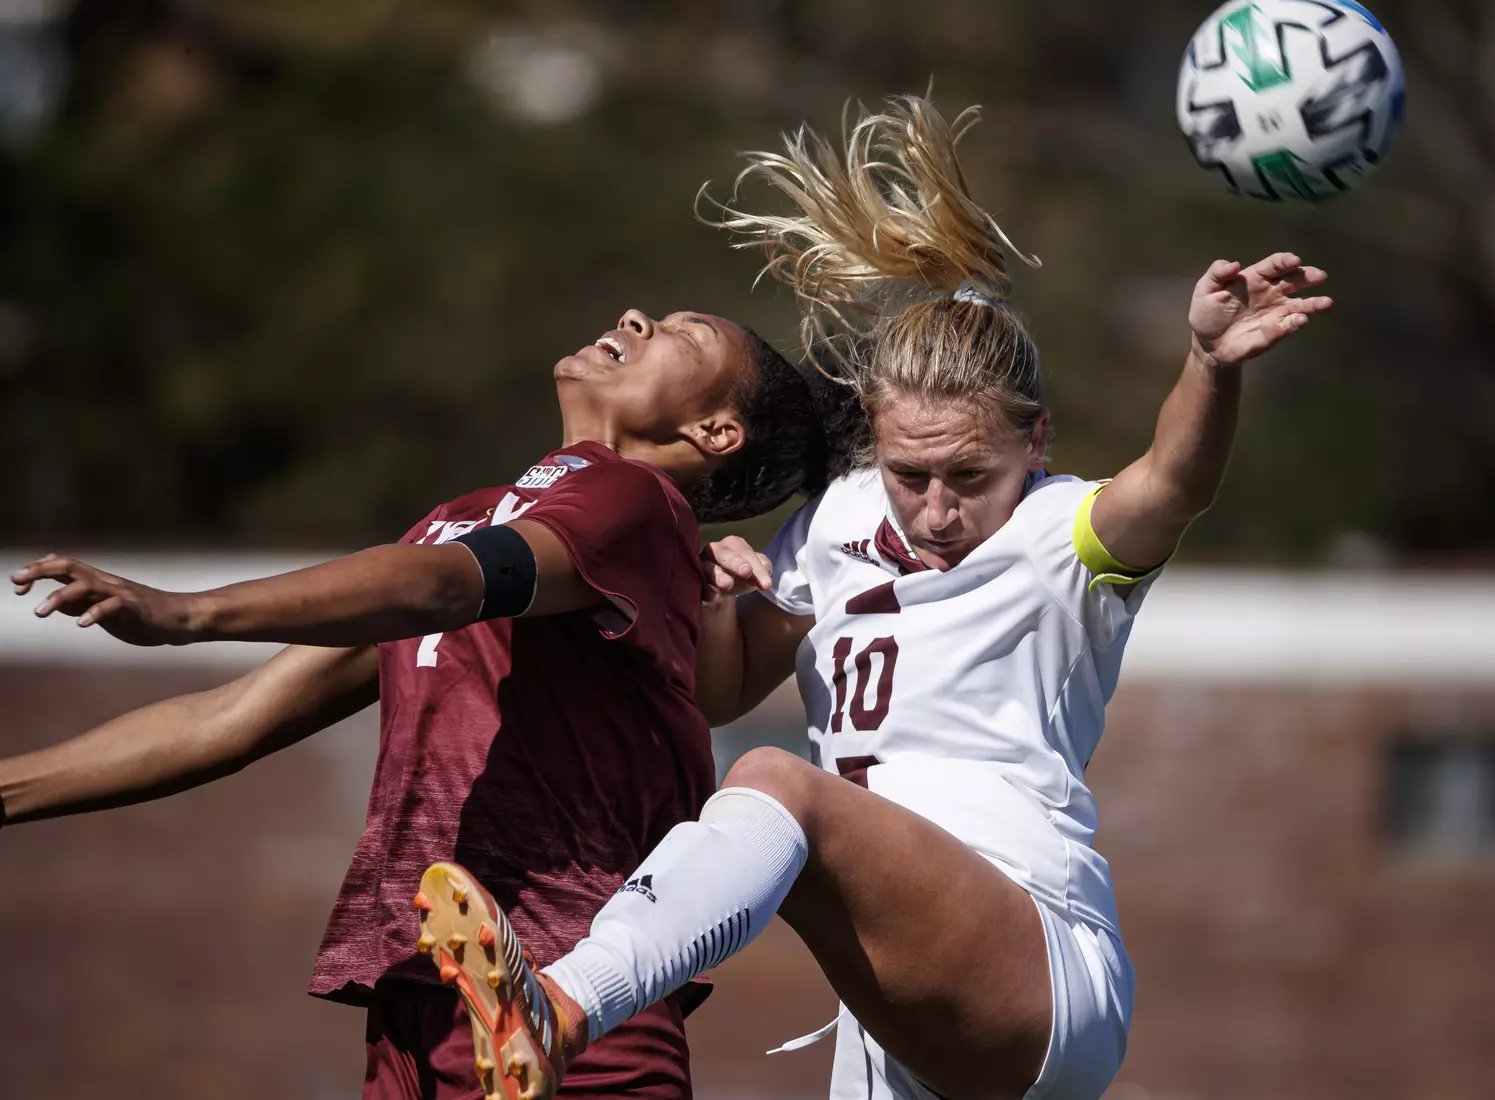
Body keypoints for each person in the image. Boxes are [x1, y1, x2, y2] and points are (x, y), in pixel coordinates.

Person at [417, 94, 1334, 1100]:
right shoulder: (837, 519)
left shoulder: (1060, 532)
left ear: (1035, 444)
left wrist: (1208, 362)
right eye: (911, 472)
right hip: (890, 1010)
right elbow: (721, 685)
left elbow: (1173, 480)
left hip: (1031, 953)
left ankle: (561, 1004)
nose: (938, 507)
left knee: (781, 780)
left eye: (969, 475)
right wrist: (719, 595)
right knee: (782, 784)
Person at [1, 304, 855, 1100]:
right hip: (421, 997)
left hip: (560, 985)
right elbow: (229, 720)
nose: (636, 317)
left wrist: (192, 611)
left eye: (683, 334)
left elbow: (448, 590)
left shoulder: (635, 505)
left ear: (714, 431)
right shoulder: (463, 520)